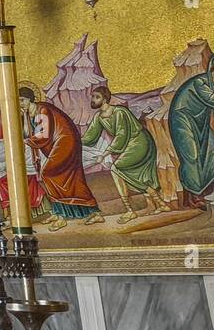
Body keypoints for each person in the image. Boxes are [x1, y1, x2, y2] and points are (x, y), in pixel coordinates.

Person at [168, 51, 214, 223]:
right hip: (183, 119)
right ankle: (192, 196)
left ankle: (204, 190)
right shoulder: (200, 82)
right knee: (192, 155)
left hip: (200, 122)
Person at [19, 87, 103, 230]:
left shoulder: (42, 110)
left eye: (22, 100)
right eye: (18, 101)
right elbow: (27, 133)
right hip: (57, 145)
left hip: (66, 142)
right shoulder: (29, 114)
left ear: (30, 99)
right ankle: (66, 213)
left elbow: (43, 136)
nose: (20, 103)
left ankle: (62, 216)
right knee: (72, 179)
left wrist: (26, 141)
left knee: (48, 173)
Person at [81, 86, 167, 223]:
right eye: (92, 96)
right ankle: (160, 203)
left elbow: (122, 135)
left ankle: (130, 211)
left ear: (105, 99)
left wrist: (104, 155)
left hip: (139, 141)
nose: (93, 99)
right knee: (129, 174)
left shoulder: (119, 112)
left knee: (116, 168)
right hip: (128, 146)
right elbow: (89, 137)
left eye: (96, 97)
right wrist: (72, 140)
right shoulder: (99, 117)